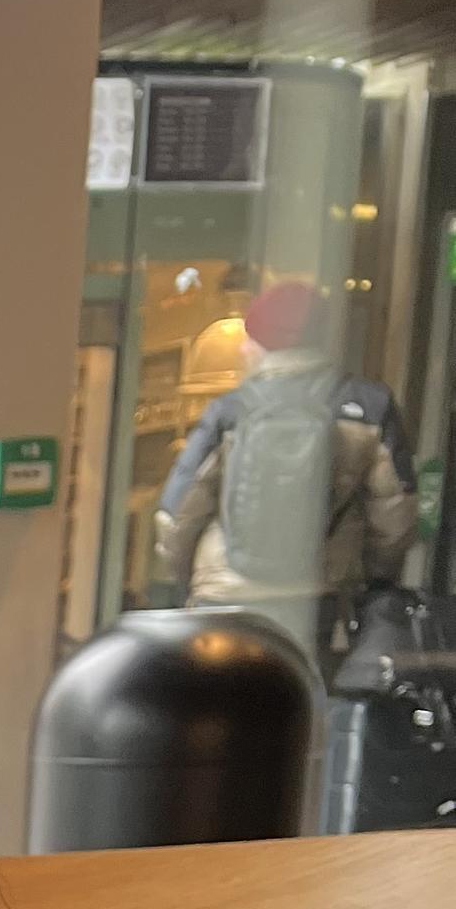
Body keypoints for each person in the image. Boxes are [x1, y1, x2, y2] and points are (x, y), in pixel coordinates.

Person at [154, 277, 418, 668]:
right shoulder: (370, 406)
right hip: (314, 598)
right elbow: (394, 518)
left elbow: (178, 515)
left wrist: (179, 578)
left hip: (224, 596)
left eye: (249, 337)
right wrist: (371, 581)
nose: (243, 347)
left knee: (216, 707)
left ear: (261, 345)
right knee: (293, 707)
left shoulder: (230, 411)